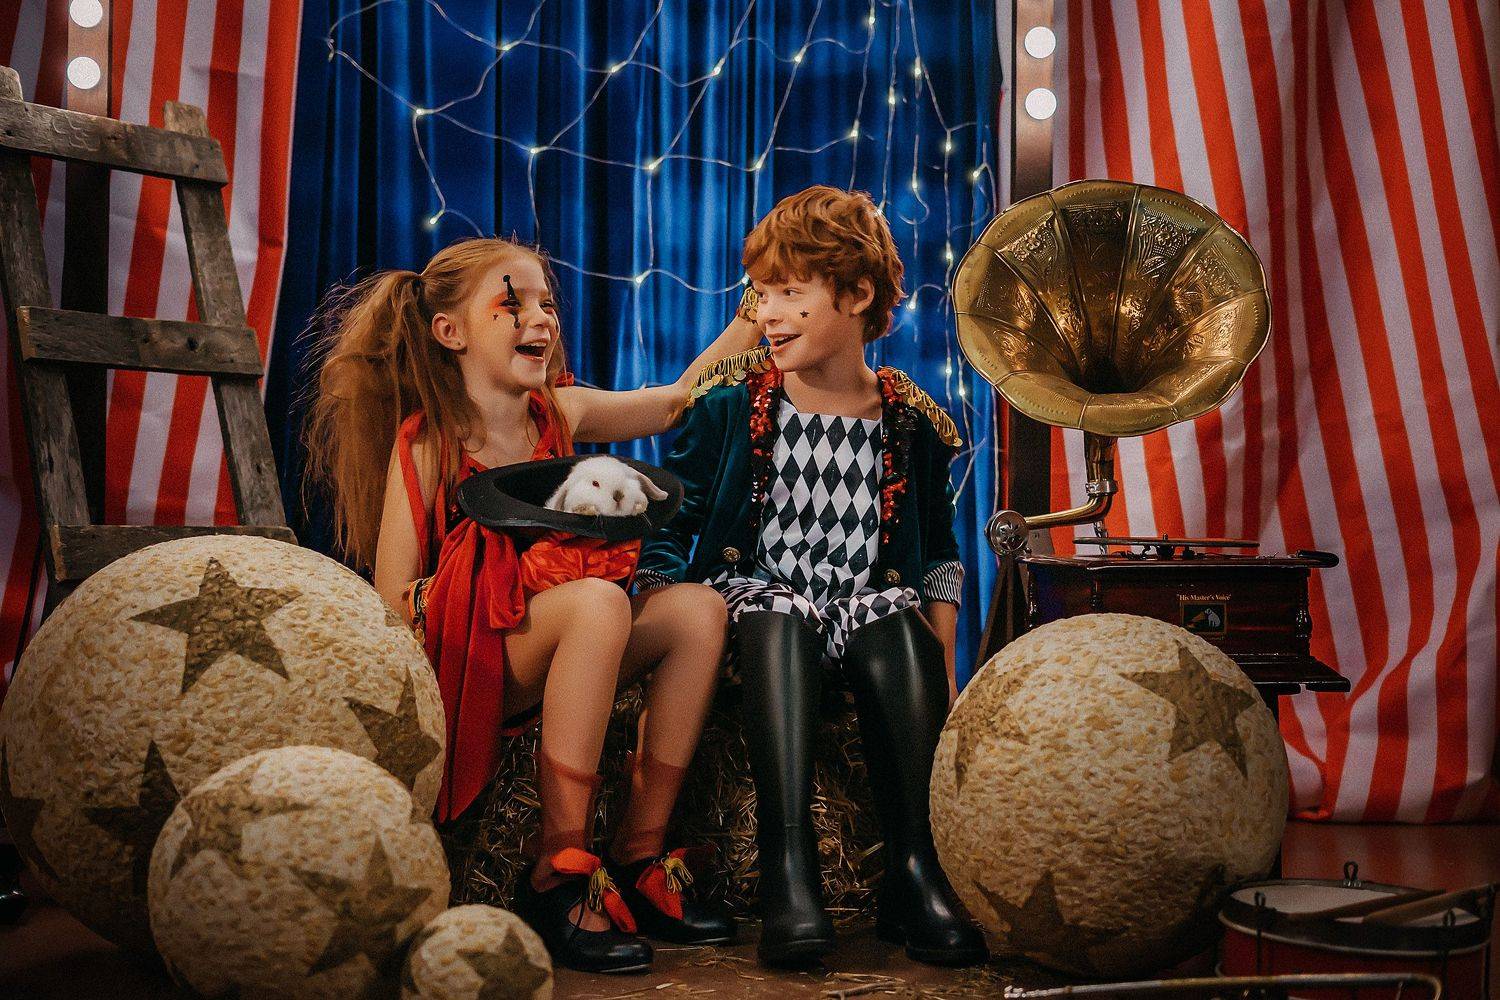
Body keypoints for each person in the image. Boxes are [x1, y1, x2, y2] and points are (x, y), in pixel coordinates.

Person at [304, 237, 759, 973]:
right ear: (450, 332)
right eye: (512, 305)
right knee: (598, 603)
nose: (540, 318)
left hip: (576, 641)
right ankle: (558, 870)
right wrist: (494, 579)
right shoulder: (429, 444)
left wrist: (752, 312)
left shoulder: (561, 411)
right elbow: (391, 598)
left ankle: (640, 852)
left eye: (547, 303)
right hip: (483, 658)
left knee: (698, 612)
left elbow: (677, 401)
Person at [635, 188, 987, 968]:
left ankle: (915, 869)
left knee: (894, 622)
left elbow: (938, 556)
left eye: (790, 293)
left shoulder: (912, 422)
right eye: (761, 295)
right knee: (779, 616)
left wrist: (943, 662)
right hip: (760, 595)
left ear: (856, 296)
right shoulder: (731, 405)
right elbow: (671, 522)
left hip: (860, 598)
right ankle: (789, 869)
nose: (768, 314)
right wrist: (662, 609)